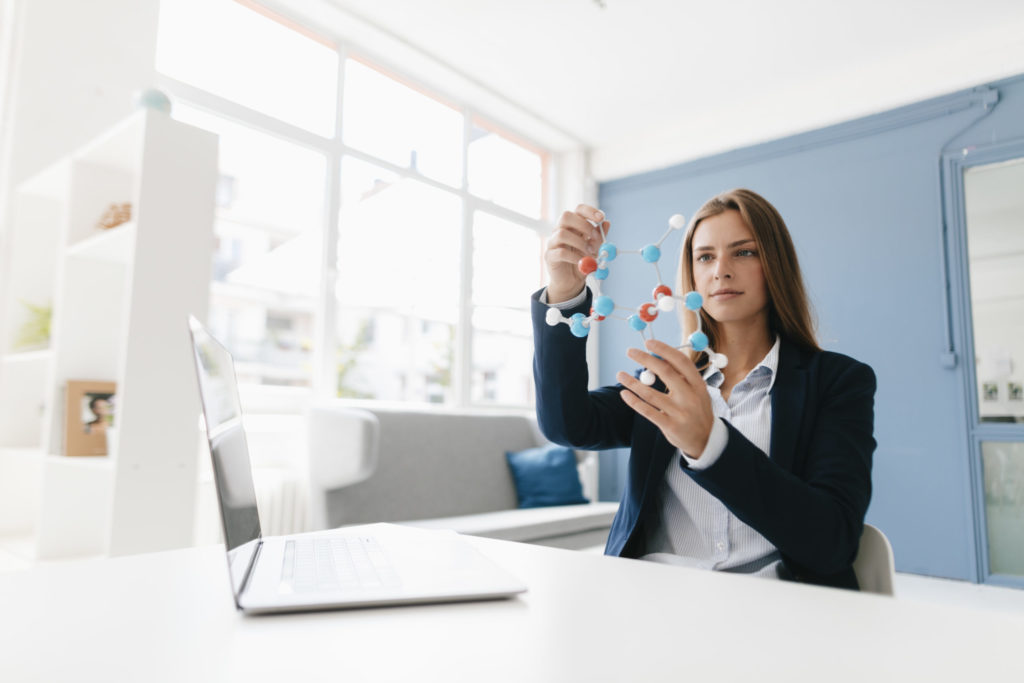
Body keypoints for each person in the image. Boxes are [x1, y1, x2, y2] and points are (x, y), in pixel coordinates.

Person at [532, 188, 876, 590]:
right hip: (655, 603)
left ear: (775, 264)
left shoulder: (838, 382)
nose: (721, 271)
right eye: (706, 256)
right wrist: (565, 291)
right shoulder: (663, 379)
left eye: (744, 252)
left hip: (778, 610)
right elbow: (567, 426)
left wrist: (711, 445)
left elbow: (831, 543)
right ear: (692, 273)